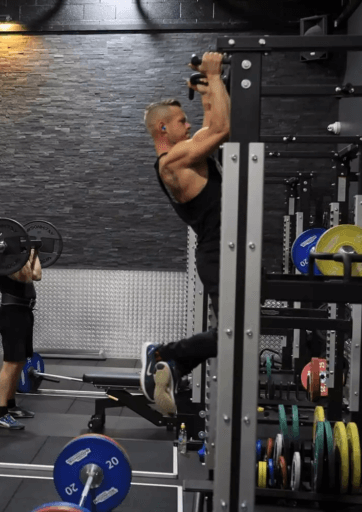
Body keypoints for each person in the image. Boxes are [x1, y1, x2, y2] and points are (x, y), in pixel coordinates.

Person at [140, 52, 231, 415]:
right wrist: (214, 74)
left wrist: (209, 86)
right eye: (181, 121)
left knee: (239, 331)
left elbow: (214, 122)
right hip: (218, 255)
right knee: (234, 335)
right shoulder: (172, 163)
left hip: (231, 252)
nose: (189, 125)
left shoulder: (190, 154)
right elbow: (222, 129)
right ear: (164, 129)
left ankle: (176, 366)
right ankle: (163, 355)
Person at [0, 246, 42, 430]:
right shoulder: (2, 262)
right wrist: (30, 255)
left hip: (25, 312)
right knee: (11, 363)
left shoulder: (17, 259)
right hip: (11, 314)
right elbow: (30, 276)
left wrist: (34, 253)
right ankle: (1, 413)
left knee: (20, 361)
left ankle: (11, 405)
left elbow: (36, 274)